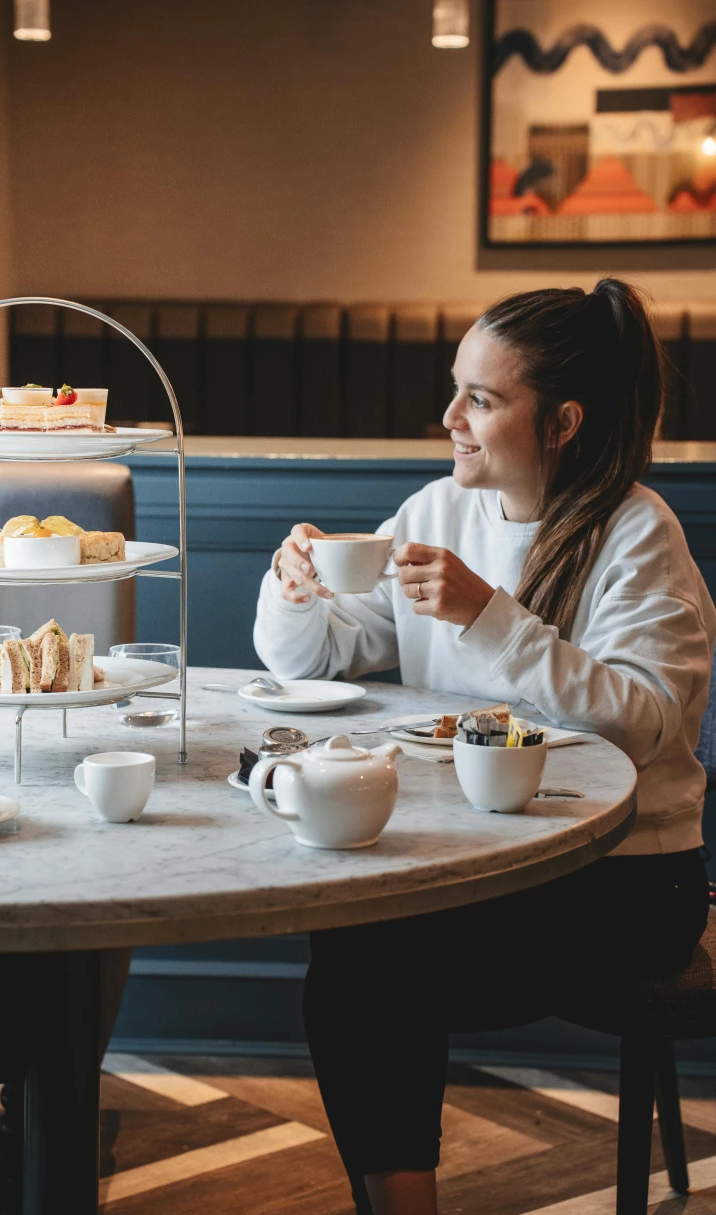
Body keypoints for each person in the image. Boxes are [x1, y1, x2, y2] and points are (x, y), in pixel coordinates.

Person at [252, 280, 716, 1215]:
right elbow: (328, 654)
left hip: (626, 881)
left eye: (482, 398)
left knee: (372, 958)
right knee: (356, 941)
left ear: (562, 422)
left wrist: (486, 616)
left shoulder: (636, 535)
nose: (449, 416)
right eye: (456, 388)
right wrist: (296, 591)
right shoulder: (435, 511)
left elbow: (644, 717)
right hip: (478, 856)